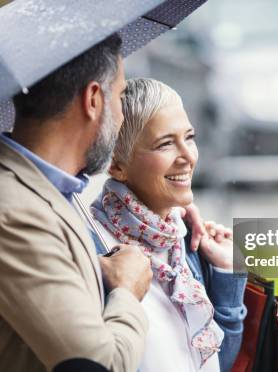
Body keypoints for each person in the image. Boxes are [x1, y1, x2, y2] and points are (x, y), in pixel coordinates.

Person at [0, 34, 155, 372]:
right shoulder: (9, 212)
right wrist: (127, 290)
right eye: (120, 96)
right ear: (93, 99)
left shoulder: (46, 189)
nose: (123, 116)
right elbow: (100, 366)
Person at [91, 78, 247, 372]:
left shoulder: (182, 240)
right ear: (116, 165)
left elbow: (214, 363)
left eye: (189, 137)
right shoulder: (96, 250)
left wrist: (226, 272)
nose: (188, 156)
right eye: (165, 144)